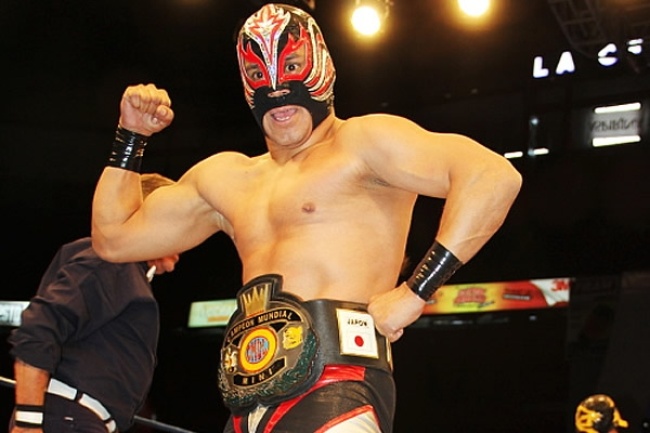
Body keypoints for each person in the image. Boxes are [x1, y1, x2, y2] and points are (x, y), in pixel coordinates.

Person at [90, 3, 522, 432]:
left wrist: (416, 292)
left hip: (339, 384)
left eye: (292, 65)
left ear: (321, 66)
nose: (276, 86)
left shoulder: (363, 141)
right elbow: (113, 238)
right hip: (246, 402)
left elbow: (492, 176)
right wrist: (132, 136)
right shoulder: (228, 178)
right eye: (257, 73)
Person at [8, 173, 180, 433]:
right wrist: (28, 422)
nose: (189, 236)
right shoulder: (111, 262)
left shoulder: (123, 270)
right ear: (155, 217)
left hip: (77, 418)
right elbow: (39, 326)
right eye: (182, 222)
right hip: (68, 417)